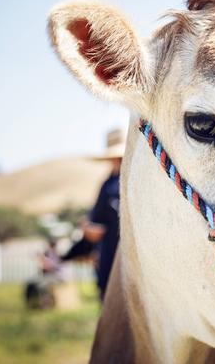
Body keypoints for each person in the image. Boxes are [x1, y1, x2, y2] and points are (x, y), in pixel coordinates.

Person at [84, 128, 125, 300]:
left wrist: (87, 229)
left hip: (117, 263)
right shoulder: (109, 185)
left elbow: (95, 228)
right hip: (113, 261)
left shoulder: (111, 185)